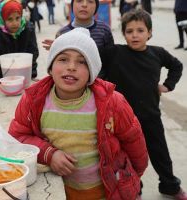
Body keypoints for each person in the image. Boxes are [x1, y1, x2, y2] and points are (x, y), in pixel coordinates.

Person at [9, 28, 148, 200]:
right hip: (61, 192)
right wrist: (49, 154)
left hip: (108, 192)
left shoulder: (112, 102)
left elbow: (134, 143)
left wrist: (131, 179)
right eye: (63, 59)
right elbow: (17, 136)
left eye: (82, 62)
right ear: (51, 67)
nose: (71, 67)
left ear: (92, 73)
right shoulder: (33, 100)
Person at [99, 9, 186, 199]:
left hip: (151, 117)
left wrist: (167, 85)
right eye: (129, 31)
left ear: (150, 32)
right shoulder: (115, 53)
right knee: (127, 159)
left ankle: (169, 186)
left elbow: (177, 65)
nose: (135, 35)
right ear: (124, 34)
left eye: (140, 30)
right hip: (123, 121)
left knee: (160, 154)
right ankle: (133, 189)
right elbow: (91, 57)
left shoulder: (158, 53)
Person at [0, 0, 39, 92]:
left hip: (25, 77)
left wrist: (31, 76)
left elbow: (32, 54)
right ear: (3, 19)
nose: (15, 23)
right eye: (10, 19)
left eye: (18, 18)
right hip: (6, 80)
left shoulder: (28, 30)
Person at [42, 0, 114, 50]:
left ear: (96, 7)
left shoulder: (104, 30)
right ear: (72, 5)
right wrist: (57, 50)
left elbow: (111, 59)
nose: (84, 5)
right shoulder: (62, 33)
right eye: (79, 0)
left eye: (90, 1)